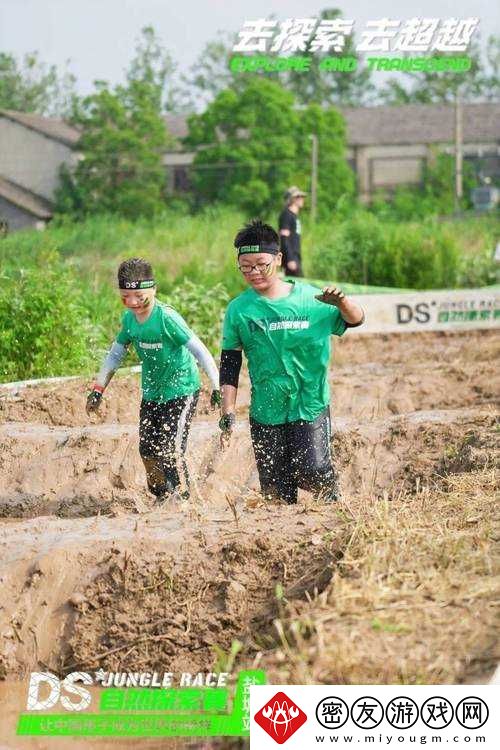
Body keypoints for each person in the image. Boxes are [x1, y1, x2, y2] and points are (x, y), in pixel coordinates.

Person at [218, 219, 364, 505]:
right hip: (265, 411)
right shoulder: (238, 310)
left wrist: (343, 303)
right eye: (245, 266)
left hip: (308, 404)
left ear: (279, 259)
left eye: (261, 264)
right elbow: (230, 364)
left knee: (314, 470)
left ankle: (333, 506)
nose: (254, 272)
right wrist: (228, 412)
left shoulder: (312, 299)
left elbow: (356, 319)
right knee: (275, 493)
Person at [86, 257, 220, 503]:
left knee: (171, 449)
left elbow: (200, 350)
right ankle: (162, 496)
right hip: (152, 393)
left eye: (139, 295)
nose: (133, 302)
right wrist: (98, 389)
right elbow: (116, 354)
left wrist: (216, 386)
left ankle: (182, 499)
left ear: (153, 289)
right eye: (125, 296)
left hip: (182, 390)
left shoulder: (167, 318)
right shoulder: (129, 320)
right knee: (147, 451)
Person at [278, 185, 307, 277]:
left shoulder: (294, 216)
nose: (302, 199)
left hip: (296, 257)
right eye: (299, 197)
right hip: (290, 260)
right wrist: (290, 259)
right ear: (293, 199)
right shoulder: (286, 215)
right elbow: (284, 238)